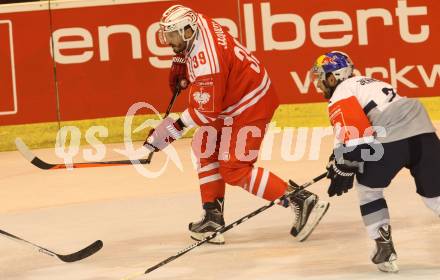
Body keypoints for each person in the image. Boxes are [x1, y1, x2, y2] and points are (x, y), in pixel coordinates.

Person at [143, 5, 330, 245]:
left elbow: (204, 113)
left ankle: (301, 200)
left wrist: (164, 135)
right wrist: (181, 59)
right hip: (236, 93)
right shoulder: (198, 20)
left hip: (251, 102)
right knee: (204, 144)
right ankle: (212, 216)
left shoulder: (207, 63)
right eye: (167, 35)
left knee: (234, 168)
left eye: (172, 36)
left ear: (188, 31)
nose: (168, 41)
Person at [310, 51, 440, 272]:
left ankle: (384, 247)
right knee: (435, 195)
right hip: (423, 131)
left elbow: (357, 138)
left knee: (368, 189)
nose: (319, 85)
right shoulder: (371, 82)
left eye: (321, 78)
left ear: (333, 77)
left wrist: (343, 163)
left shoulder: (341, 90)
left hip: (390, 137)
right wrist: (341, 157)